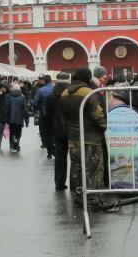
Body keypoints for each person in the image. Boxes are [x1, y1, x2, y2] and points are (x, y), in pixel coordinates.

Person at [59, 68, 107, 208]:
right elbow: (97, 114)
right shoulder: (88, 93)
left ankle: (78, 196)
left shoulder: (65, 93)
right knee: (94, 168)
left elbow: (62, 117)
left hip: (73, 137)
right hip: (91, 137)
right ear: (87, 78)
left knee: (76, 167)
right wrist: (104, 126)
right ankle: (94, 197)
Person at [46, 72, 71, 190]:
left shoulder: (51, 96)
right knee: (75, 158)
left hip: (57, 129)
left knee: (60, 157)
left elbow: (47, 114)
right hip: (72, 128)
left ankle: (59, 182)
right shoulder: (71, 93)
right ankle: (75, 183)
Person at [32, 75, 55, 158]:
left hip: (44, 114)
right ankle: (54, 147)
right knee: (54, 131)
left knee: (46, 132)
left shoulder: (40, 91)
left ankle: (49, 152)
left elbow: (35, 103)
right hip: (56, 114)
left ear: (44, 81)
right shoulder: (55, 89)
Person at [4, 83, 29, 151]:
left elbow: (6, 108)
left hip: (10, 119)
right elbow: (25, 109)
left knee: (12, 131)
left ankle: (12, 143)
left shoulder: (8, 96)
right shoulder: (22, 97)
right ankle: (17, 143)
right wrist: (27, 120)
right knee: (19, 132)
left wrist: (5, 119)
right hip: (19, 119)